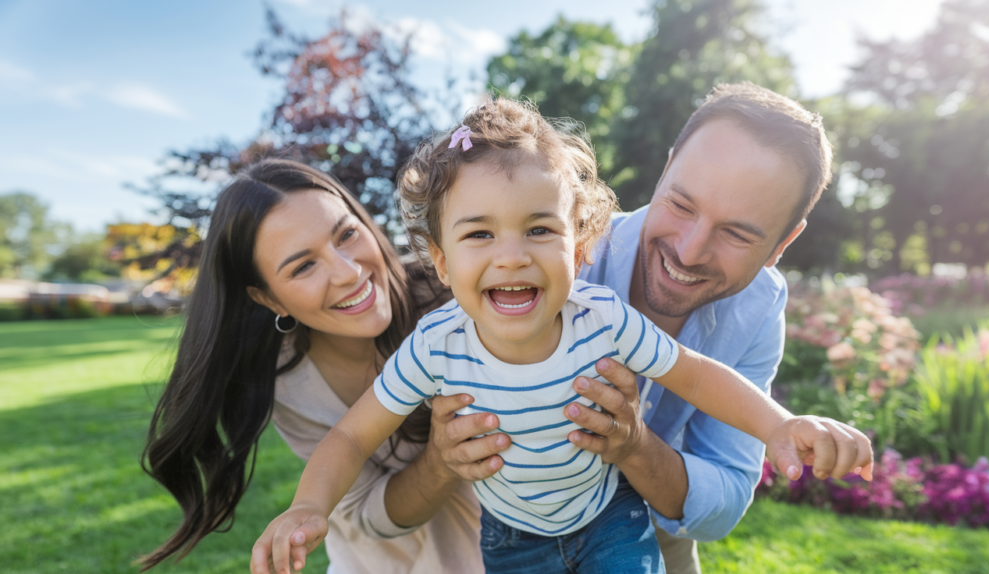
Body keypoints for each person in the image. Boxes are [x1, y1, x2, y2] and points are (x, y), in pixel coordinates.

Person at [253, 99, 873, 574]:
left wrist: (778, 425)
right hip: (510, 534)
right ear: (440, 263)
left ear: (578, 247)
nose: (513, 257)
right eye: (479, 236)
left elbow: (694, 375)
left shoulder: (599, 316)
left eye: (539, 231)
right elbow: (351, 434)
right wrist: (308, 505)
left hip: (614, 520)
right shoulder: (435, 344)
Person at [431, 83, 866, 574]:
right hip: (521, 532)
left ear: (783, 243)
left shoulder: (759, 308)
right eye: (681, 205)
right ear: (665, 170)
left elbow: (721, 502)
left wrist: (636, 446)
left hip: (651, 535)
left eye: (737, 233)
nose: (689, 250)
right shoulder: (554, 258)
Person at [139, 160, 485, 574]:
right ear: (270, 299)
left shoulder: (457, 296)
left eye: (347, 234)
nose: (349, 272)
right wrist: (440, 462)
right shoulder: (289, 383)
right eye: (304, 266)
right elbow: (365, 516)